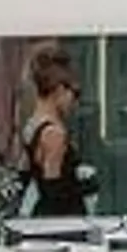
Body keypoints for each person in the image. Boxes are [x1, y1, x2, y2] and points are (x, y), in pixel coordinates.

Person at [17, 43, 93, 219]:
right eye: (74, 94)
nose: (75, 104)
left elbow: (25, 174)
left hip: (45, 220)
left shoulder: (32, 124)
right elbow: (53, 191)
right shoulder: (54, 133)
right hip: (63, 223)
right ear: (60, 90)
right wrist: (85, 185)